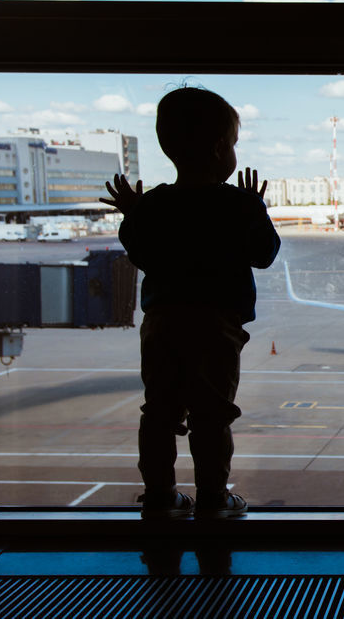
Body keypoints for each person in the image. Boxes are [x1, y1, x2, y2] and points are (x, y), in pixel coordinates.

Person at [100, 86, 281, 519]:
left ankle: (161, 499)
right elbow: (264, 255)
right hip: (215, 324)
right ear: (221, 148)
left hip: (162, 321)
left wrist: (134, 214)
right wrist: (256, 207)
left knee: (159, 411)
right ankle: (214, 500)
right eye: (233, 144)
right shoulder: (237, 204)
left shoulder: (156, 204)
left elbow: (141, 255)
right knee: (211, 415)